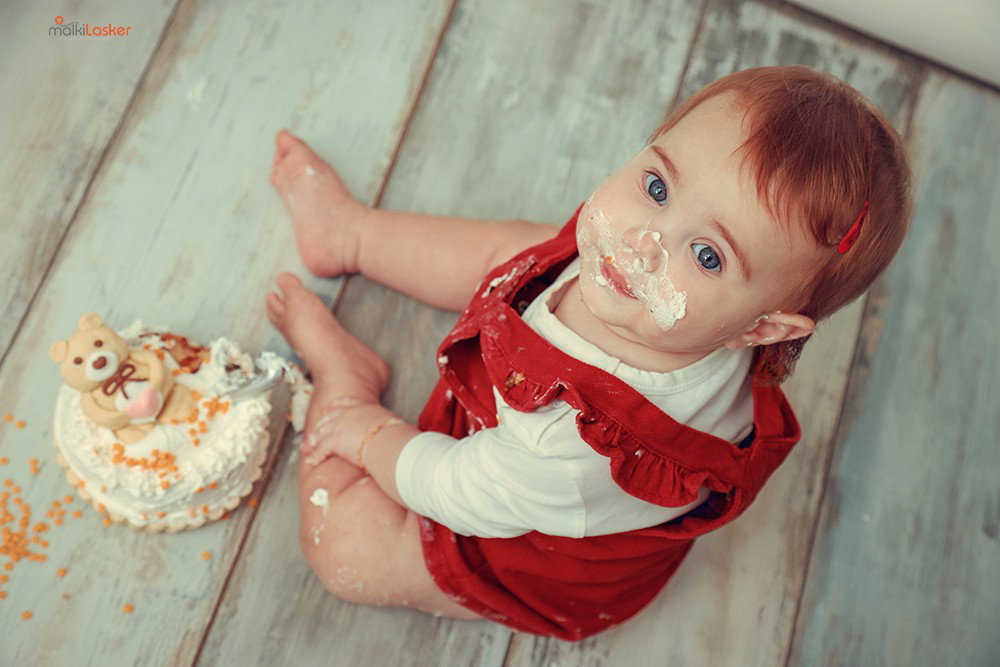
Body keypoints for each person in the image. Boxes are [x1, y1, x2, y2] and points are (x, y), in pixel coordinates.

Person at [264, 65, 912, 640]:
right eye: (657, 187)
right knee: (515, 251)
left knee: (345, 545)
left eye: (707, 254)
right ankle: (351, 235)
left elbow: (456, 487)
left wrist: (372, 436)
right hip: (536, 448)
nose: (642, 243)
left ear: (762, 329)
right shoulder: (659, 296)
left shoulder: (574, 444)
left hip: (519, 535)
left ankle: (345, 381)